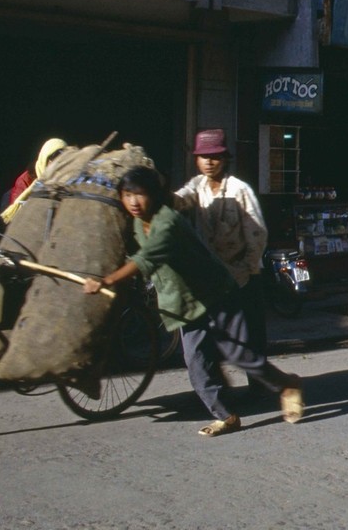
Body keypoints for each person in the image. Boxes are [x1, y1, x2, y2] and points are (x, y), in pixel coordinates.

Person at [83, 166, 303, 437]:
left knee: (241, 356)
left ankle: (287, 384)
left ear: (154, 194)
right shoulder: (140, 224)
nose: (133, 202)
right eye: (127, 195)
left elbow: (145, 259)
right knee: (197, 363)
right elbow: (140, 258)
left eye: (139, 195)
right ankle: (226, 416)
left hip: (217, 296)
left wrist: (107, 280)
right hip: (185, 305)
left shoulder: (167, 222)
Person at [174, 129, 270, 362]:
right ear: (196, 159)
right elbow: (180, 199)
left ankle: (260, 385)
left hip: (243, 273)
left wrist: (248, 268)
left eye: (215, 157)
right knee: (216, 333)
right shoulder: (197, 186)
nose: (209, 162)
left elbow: (256, 233)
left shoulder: (239, 189)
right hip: (212, 274)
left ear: (225, 159)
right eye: (204, 157)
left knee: (250, 334)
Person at [0, 137, 67, 224]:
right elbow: (19, 217)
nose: (58, 163)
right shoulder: (26, 179)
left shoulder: (72, 180)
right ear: (45, 158)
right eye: (54, 158)